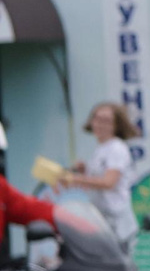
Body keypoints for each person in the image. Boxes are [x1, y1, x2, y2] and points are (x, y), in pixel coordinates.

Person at [60, 103, 142, 252]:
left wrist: (74, 179)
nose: (100, 124)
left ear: (116, 125)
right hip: (101, 220)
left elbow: (109, 182)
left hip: (117, 223)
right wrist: (85, 170)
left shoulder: (116, 148)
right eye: (97, 119)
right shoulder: (101, 148)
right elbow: (99, 177)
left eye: (106, 121)